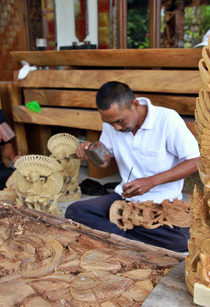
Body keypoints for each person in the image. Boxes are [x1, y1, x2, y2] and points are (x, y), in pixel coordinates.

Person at [65, 81, 200, 252]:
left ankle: (115, 234)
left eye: (120, 121)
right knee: (75, 211)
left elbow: (195, 160)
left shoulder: (166, 119)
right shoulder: (111, 124)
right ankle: (129, 237)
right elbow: (104, 161)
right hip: (124, 197)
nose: (116, 127)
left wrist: (151, 182)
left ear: (134, 104)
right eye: (110, 123)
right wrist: (92, 151)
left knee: (182, 240)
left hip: (163, 201)